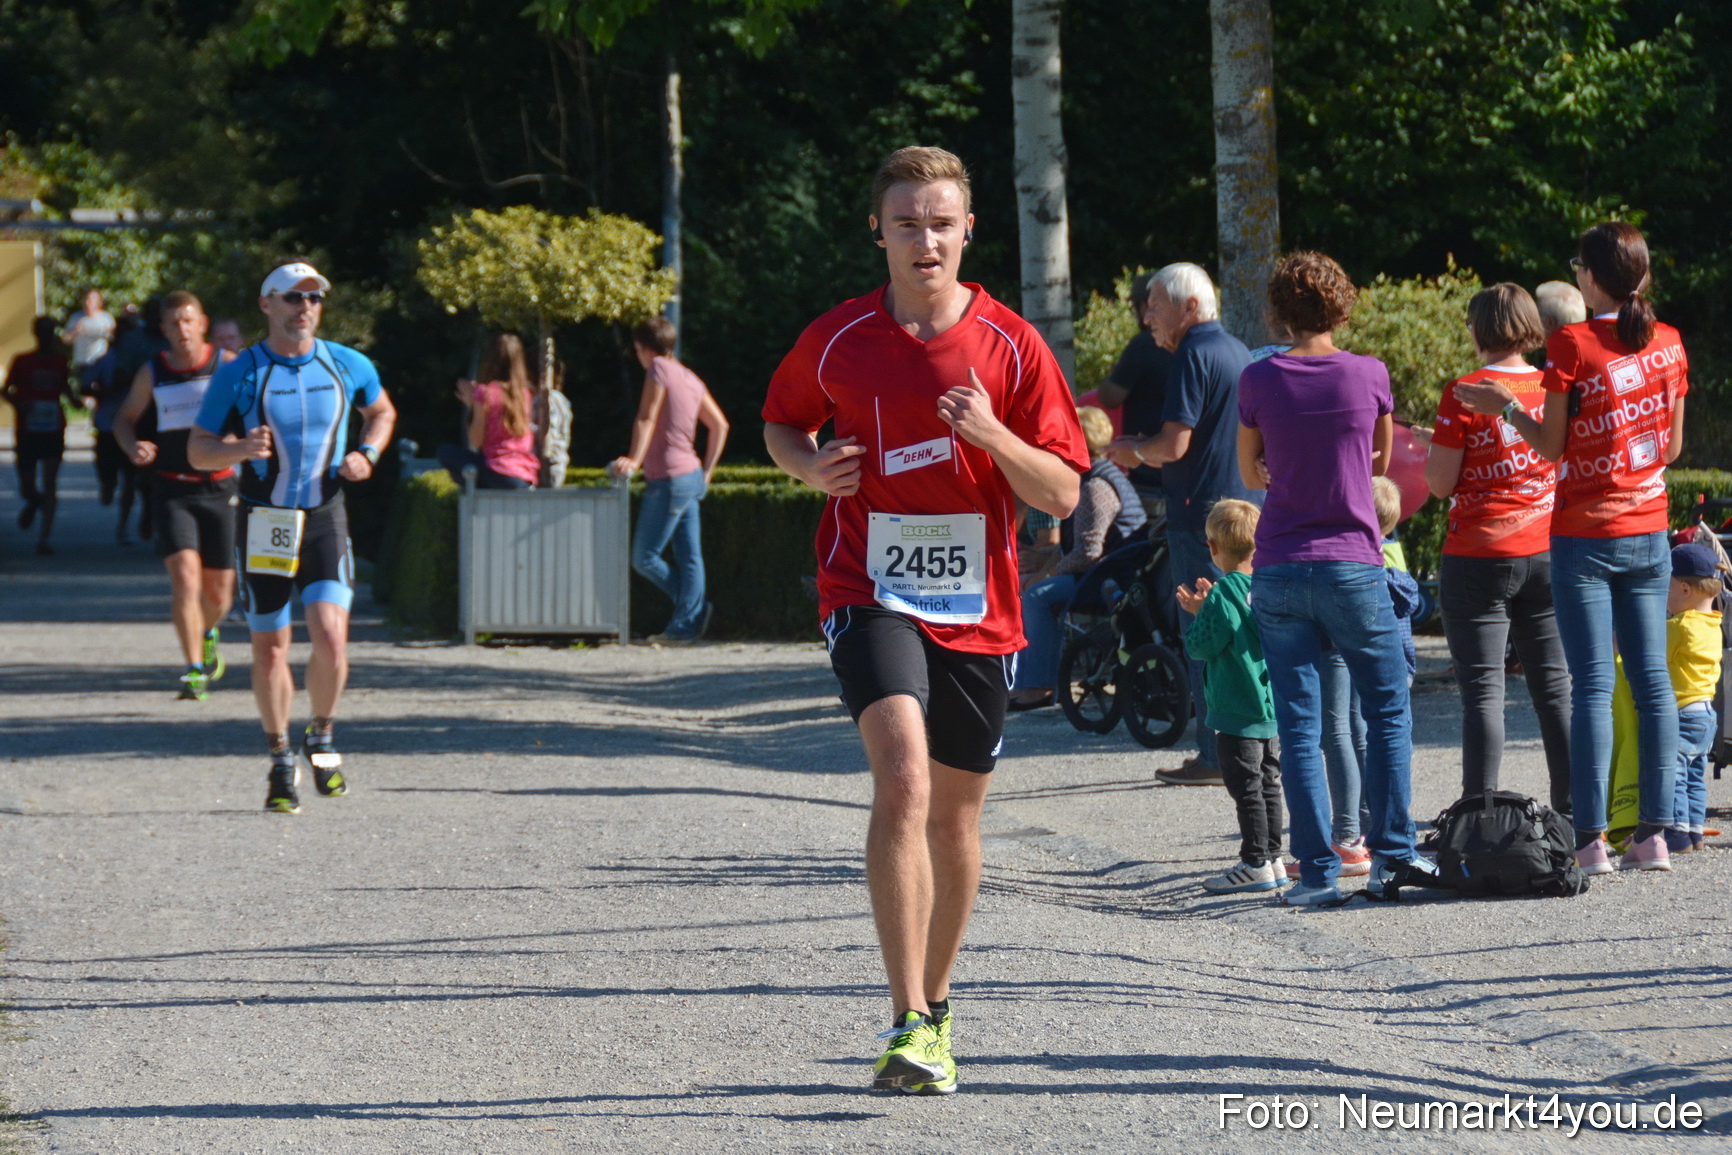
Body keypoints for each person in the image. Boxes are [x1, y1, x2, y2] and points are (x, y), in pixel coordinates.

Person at [763, 146, 1086, 1094]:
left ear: (968, 230)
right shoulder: (838, 338)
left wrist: (991, 433)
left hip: (978, 606)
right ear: (879, 231)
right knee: (902, 779)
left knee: (954, 817)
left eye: (941, 223)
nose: (925, 240)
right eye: (907, 223)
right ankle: (905, 1014)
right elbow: (782, 422)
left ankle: (937, 1008)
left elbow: (1063, 491)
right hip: (867, 584)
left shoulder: (1013, 345)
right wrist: (808, 466)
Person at [1455, 222, 1685, 873]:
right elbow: (1671, 448)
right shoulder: (1669, 341)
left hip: (1585, 534)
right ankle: (1654, 836)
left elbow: (1551, 445)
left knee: (1592, 684)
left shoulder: (1572, 342)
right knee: (1653, 681)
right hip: (1649, 528)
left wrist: (1505, 407)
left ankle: (1591, 841)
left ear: (1589, 276)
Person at [1237, 250, 1434, 906]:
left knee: (1298, 725)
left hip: (1280, 563)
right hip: (1352, 559)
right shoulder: (1368, 373)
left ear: (1278, 311)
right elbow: (1378, 461)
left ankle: (1317, 871)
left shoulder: (1258, 379)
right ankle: (1391, 856)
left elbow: (1249, 471)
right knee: (1386, 710)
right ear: (1342, 306)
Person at [188, 260, 397, 814]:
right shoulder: (240, 373)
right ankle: (280, 758)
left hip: (324, 516)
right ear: (267, 305)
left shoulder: (347, 363)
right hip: (266, 522)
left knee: (331, 636)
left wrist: (367, 453)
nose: (305, 308)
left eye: (314, 298)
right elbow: (198, 448)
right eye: (293, 298)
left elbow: (381, 412)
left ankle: (321, 735)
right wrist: (238, 449)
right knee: (270, 648)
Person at [1425, 283, 1571, 814]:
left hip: (1479, 553)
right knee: (1555, 689)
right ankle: (1577, 818)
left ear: (1478, 329)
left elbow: (1440, 483)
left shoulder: (1466, 390)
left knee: (1484, 693)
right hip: (1548, 549)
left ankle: (1479, 819)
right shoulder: (1554, 385)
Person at [1107, 262, 1254, 785]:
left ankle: (1216, 756)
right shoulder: (1237, 350)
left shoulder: (1192, 353)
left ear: (1190, 307)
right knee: (1244, 630)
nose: (1147, 316)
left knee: (1206, 631)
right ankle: (1250, 748)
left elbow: (1173, 445)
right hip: (1246, 509)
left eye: (1155, 305)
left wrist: (1132, 452)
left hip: (1201, 517)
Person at [113, 291, 239, 700]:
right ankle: (194, 670)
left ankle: (208, 631)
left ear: (202, 324)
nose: (182, 329)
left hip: (220, 487)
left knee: (219, 594)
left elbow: (257, 412)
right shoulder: (154, 371)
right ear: (164, 330)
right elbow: (123, 419)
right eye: (174, 323)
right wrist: (133, 445)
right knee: (185, 577)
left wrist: (240, 441)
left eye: (188, 320)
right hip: (171, 487)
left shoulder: (227, 365)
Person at [1175, 499, 1287, 894]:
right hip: (1270, 707)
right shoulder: (1268, 585)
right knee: (1269, 784)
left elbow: (1200, 646)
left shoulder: (1223, 593)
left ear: (1213, 547)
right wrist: (1210, 607)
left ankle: (1254, 862)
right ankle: (1273, 857)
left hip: (1237, 708)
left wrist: (1201, 612)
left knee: (1246, 788)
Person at [1009, 406, 1145, 709]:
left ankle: (1040, 686)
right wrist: (1042, 564)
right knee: (1024, 585)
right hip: (1099, 573)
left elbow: (1086, 554)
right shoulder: (1092, 476)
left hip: (1112, 578)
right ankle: (1021, 682)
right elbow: (1074, 547)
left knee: (1037, 595)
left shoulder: (1096, 486)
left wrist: (1043, 575)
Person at [609, 317, 729, 643]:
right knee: (690, 557)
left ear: (643, 348)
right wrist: (707, 471)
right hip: (691, 476)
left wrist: (633, 459)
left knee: (644, 557)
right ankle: (686, 623)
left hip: (668, 479)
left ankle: (691, 613)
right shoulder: (689, 377)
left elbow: (646, 417)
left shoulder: (658, 369)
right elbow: (720, 425)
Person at [1093, 271, 1171, 521]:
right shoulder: (1190, 343)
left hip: (1147, 472)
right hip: (1183, 474)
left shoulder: (1144, 344)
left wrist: (1115, 374)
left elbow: (1110, 396)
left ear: (1144, 305)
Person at [1664, 542, 1722, 855]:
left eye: (1666, 588)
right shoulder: (1714, 624)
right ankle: (1696, 832)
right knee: (1695, 776)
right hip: (1706, 716)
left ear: (1685, 589)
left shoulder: (1680, 626)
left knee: (1673, 775)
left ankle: (1677, 835)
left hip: (1682, 713)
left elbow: (1649, 655)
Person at [4, 317, 76, 555]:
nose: (46, 336)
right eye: (42, 331)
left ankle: (44, 538)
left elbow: (65, 387)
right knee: (27, 486)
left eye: (49, 332)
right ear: (35, 334)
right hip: (28, 429)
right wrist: (19, 404)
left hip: (53, 428)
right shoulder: (22, 361)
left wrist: (76, 400)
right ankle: (34, 501)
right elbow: (6, 390)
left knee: (50, 482)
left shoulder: (60, 361)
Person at [439, 333, 540, 490]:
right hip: (524, 477)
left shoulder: (484, 392)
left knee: (445, 452)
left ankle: (477, 490)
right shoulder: (525, 394)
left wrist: (473, 406)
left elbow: (475, 441)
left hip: (498, 471)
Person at [62, 287, 115, 393]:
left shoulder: (106, 319)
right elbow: (65, 339)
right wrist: (75, 331)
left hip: (101, 362)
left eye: (91, 300)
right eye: (85, 300)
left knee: (104, 392)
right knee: (85, 392)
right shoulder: (75, 318)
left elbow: (114, 339)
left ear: (98, 302)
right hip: (83, 363)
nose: (87, 303)